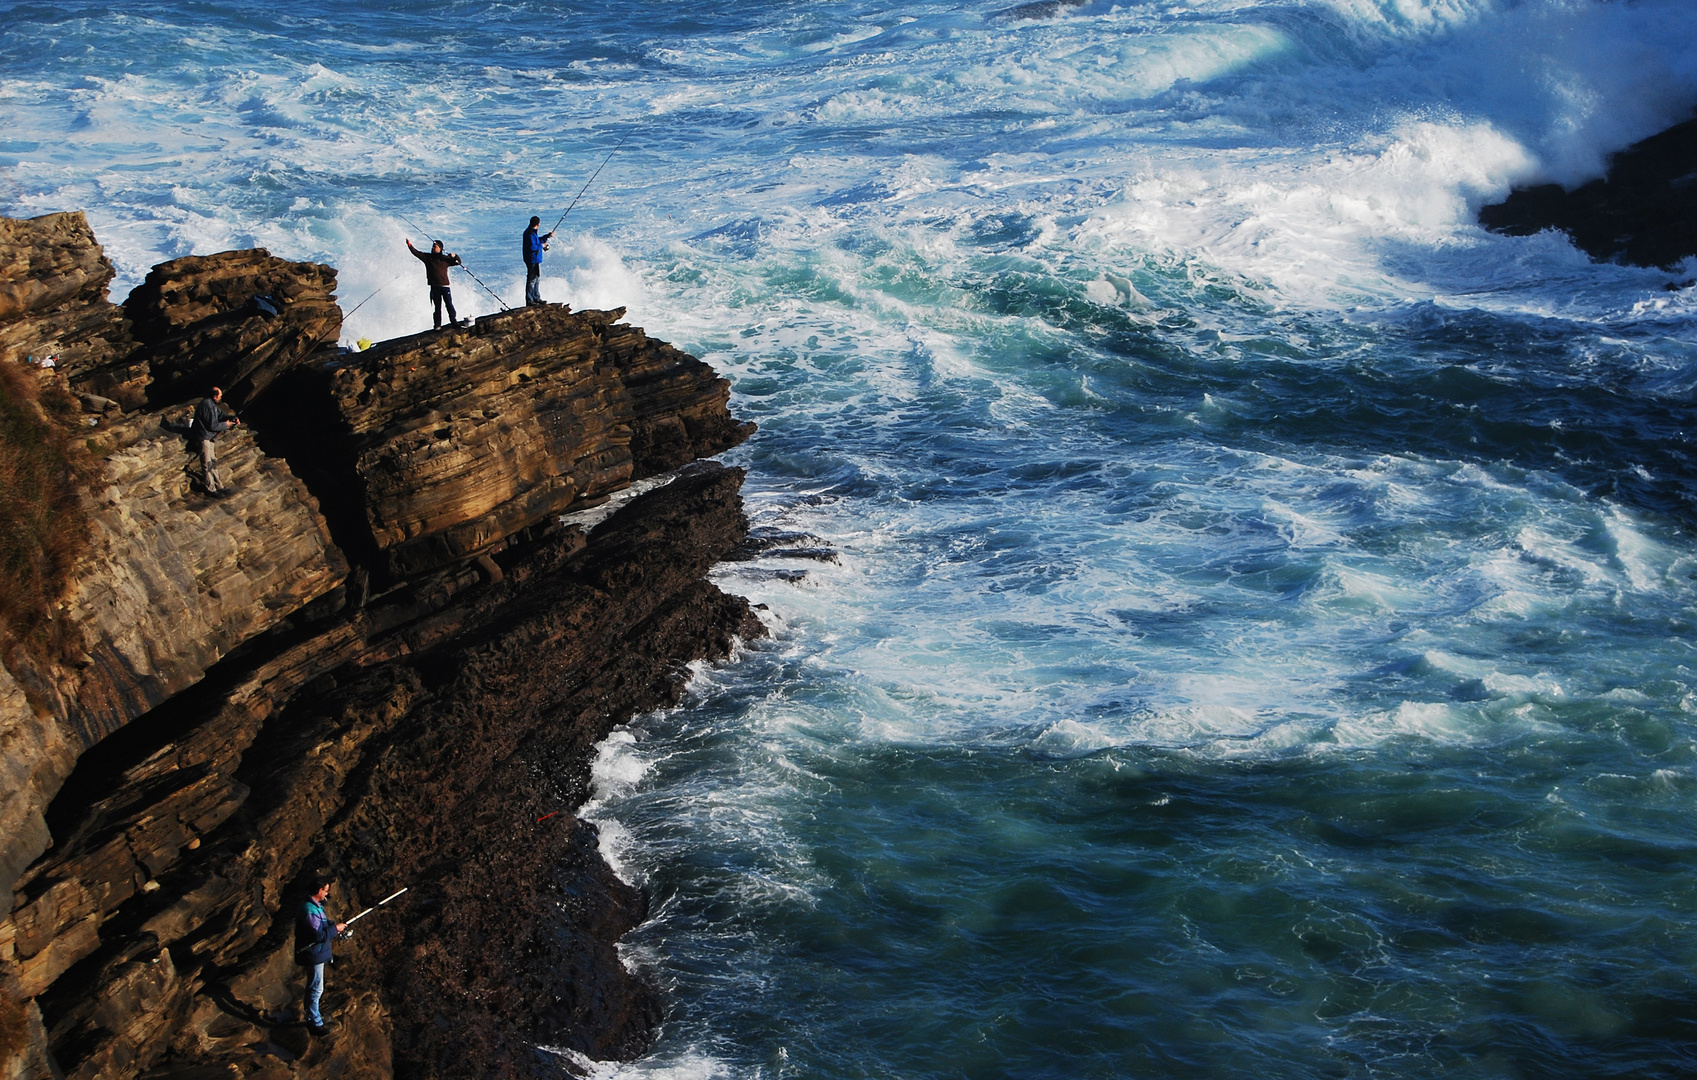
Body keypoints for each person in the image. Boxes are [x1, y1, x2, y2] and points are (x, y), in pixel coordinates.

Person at [295, 876, 347, 1036]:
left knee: (315, 987)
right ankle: (314, 1023)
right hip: (313, 954)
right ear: (319, 891)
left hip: (317, 953)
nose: (327, 894)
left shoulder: (315, 906)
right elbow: (318, 934)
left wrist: (332, 925)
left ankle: (313, 1016)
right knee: (316, 988)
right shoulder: (309, 909)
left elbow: (321, 925)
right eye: (326, 890)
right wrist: (335, 930)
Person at [190, 386, 239, 496]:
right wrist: (225, 425)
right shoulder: (206, 405)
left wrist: (232, 418)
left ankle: (218, 486)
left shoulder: (211, 405)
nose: (221, 398)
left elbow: (220, 415)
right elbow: (213, 425)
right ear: (215, 396)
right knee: (207, 463)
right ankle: (210, 488)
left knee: (213, 462)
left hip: (209, 438)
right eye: (220, 396)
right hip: (204, 437)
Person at [405, 237, 463, 328]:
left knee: (449, 304)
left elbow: (458, 262)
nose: (433, 248)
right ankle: (437, 325)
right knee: (437, 307)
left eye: (435, 246)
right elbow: (416, 253)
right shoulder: (428, 258)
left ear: (440, 248)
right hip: (434, 286)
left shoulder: (445, 259)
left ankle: (454, 322)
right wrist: (409, 245)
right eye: (433, 246)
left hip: (445, 286)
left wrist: (455, 256)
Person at [522, 216, 554, 306]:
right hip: (531, 259)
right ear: (538, 224)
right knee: (532, 280)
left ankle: (536, 298)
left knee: (536, 279)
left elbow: (537, 241)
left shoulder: (532, 232)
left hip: (534, 259)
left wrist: (547, 236)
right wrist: (542, 246)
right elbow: (533, 247)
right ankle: (530, 300)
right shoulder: (530, 233)